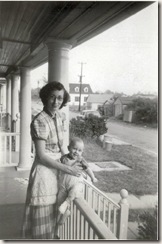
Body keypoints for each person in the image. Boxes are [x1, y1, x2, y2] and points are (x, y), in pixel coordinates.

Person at [22, 81, 82, 240]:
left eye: (60, 98)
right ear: (45, 98)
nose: (56, 102)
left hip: (59, 171)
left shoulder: (59, 117)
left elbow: (62, 147)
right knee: (43, 219)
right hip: (44, 172)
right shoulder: (39, 120)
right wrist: (68, 169)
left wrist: (71, 163)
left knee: (56, 215)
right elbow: (41, 156)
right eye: (52, 97)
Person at [55, 137, 98, 227]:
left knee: (74, 191)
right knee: (59, 198)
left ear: (82, 152)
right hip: (64, 182)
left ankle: (67, 203)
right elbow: (58, 165)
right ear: (69, 148)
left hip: (75, 182)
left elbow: (88, 169)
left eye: (79, 150)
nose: (76, 152)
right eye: (74, 148)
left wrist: (93, 177)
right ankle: (65, 213)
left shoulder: (81, 160)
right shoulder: (64, 158)